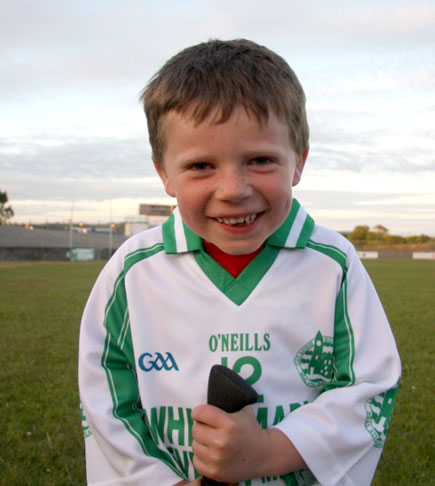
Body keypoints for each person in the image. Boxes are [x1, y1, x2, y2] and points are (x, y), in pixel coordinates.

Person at [78, 39, 401, 486]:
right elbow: (104, 397)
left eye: (260, 160)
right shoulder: (133, 272)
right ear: (164, 174)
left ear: (298, 162)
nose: (232, 188)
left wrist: (268, 452)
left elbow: (370, 388)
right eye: (201, 166)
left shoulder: (333, 264)